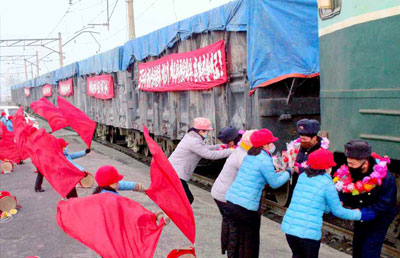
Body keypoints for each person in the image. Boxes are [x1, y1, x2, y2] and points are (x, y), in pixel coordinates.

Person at [281, 149, 362, 258]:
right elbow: (338, 211)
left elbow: (313, 202)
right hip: (308, 235)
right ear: (327, 168)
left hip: (290, 230)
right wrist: (359, 214)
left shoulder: (303, 177)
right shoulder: (327, 183)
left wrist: (328, 208)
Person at [225, 129, 290, 258]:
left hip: (232, 200)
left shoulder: (251, 154)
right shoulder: (264, 159)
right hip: (246, 206)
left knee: (236, 238)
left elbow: (256, 174)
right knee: (250, 240)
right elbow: (275, 183)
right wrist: (288, 172)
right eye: (271, 142)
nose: (273, 145)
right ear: (265, 145)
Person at [336, 140, 397, 258]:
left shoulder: (385, 178)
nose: (349, 166)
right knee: (357, 248)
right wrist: (342, 200)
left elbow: (386, 204)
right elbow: (347, 189)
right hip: (360, 215)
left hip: (379, 217)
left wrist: (363, 212)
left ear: (365, 164)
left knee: (370, 250)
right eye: (348, 163)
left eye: (352, 164)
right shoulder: (350, 171)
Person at [211, 129, 257, 255]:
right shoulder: (243, 156)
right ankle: (232, 253)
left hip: (220, 192)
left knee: (228, 221)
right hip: (225, 195)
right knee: (234, 225)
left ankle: (226, 249)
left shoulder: (239, 150)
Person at [169, 117, 233, 204]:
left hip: (174, 172)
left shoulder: (191, 137)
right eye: (206, 131)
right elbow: (210, 155)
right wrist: (230, 151)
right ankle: (176, 216)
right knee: (187, 199)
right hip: (176, 174)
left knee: (183, 199)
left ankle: (175, 216)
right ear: (200, 131)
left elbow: (203, 148)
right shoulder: (194, 141)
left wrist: (219, 147)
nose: (208, 133)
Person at [93, 165, 168, 225]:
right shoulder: (115, 200)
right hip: (113, 228)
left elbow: (121, 185)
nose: (119, 183)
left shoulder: (101, 190)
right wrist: (155, 215)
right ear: (112, 184)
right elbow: (134, 211)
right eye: (117, 181)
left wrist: (137, 186)